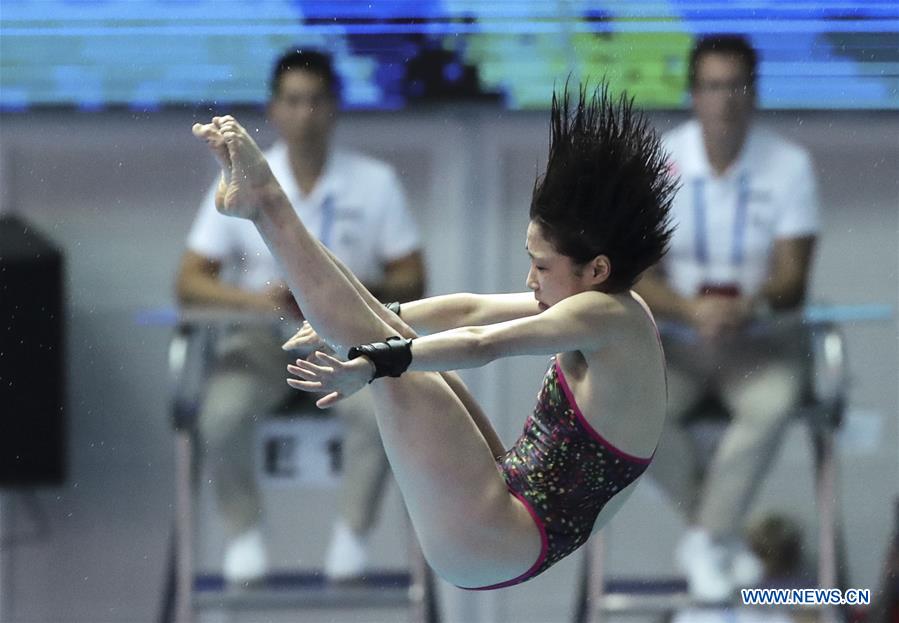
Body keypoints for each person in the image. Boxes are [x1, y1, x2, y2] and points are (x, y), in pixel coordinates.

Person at [189, 80, 675, 590]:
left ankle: (266, 203)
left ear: (596, 269)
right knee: (384, 331)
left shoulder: (603, 316)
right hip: (509, 514)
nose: (530, 279)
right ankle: (265, 203)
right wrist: (385, 313)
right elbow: (470, 309)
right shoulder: (609, 303)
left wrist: (375, 362)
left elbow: (483, 344)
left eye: (541, 265)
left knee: (386, 348)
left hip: (495, 538)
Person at [175, 49, 426, 585]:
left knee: (386, 412)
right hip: (265, 339)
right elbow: (190, 280)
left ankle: (353, 533)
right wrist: (261, 302)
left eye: (315, 101)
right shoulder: (239, 179)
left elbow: (412, 277)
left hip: (344, 338)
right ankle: (243, 532)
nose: (304, 114)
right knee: (220, 413)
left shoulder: (373, 183)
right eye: (292, 101)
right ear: (274, 109)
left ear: (334, 107)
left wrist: (339, 294)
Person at [633, 35, 820, 602]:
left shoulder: (789, 165)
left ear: (754, 93)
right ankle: (717, 536)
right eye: (714, 87)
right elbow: (638, 274)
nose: (725, 100)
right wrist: (692, 309)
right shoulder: (659, 163)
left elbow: (792, 279)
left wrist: (747, 306)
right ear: (694, 94)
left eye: (736, 86)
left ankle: (705, 537)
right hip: (679, 342)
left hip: (756, 343)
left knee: (774, 402)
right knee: (635, 410)